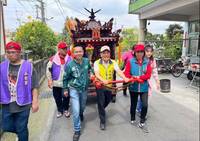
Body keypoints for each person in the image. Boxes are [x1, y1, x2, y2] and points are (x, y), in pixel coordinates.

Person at [0, 41, 39, 141]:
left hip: (24, 103)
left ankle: (22, 134)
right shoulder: (2, 66)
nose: (10, 54)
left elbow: (34, 85)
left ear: (19, 52)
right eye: (8, 52)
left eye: (13, 52)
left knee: (22, 128)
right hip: (7, 102)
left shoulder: (29, 66)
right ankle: (21, 132)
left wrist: (35, 102)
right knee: (6, 126)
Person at [94, 45, 129, 130]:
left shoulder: (113, 62)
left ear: (110, 54)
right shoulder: (97, 62)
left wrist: (124, 78)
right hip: (100, 86)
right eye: (104, 53)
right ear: (101, 54)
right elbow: (97, 74)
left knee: (108, 100)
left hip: (109, 86)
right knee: (101, 102)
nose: (106, 55)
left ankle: (101, 109)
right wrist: (103, 80)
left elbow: (119, 71)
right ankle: (102, 121)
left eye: (107, 53)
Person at [63, 46, 93, 141]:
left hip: (84, 88)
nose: (78, 53)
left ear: (83, 52)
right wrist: (65, 89)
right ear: (73, 53)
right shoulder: (69, 65)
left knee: (82, 106)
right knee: (75, 110)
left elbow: (90, 70)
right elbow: (65, 78)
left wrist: (92, 74)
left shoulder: (86, 61)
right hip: (74, 89)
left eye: (80, 51)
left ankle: (81, 113)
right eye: (76, 52)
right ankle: (77, 130)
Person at [124, 44, 152, 133]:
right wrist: (132, 78)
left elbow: (148, 75)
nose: (139, 54)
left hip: (144, 87)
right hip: (133, 87)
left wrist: (140, 77)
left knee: (145, 105)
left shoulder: (147, 62)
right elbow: (126, 74)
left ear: (143, 53)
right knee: (133, 104)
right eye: (137, 52)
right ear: (134, 53)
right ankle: (132, 117)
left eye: (141, 52)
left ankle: (142, 121)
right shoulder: (130, 61)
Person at [46, 41, 71, 118]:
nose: (65, 50)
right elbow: (48, 70)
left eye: (66, 48)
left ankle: (66, 109)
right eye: (63, 49)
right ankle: (60, 110)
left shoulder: (70, 58)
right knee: (57, 98)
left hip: (66, 83)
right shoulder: (53, 59)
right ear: (59, 49)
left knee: (66, 97)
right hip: (56, 82)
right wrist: (49, 80)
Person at [136, 44, 160, 113]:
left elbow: (154, 71)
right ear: (144, 52)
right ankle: (139, 108)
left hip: (148, 81)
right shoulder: (141, 59)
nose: (149, 53)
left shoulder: (152, 60)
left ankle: (142, 110)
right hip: (140, 80)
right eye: (147, 51)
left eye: (150, 51)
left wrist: (157, 81)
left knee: (147, 95)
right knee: (140, 95)